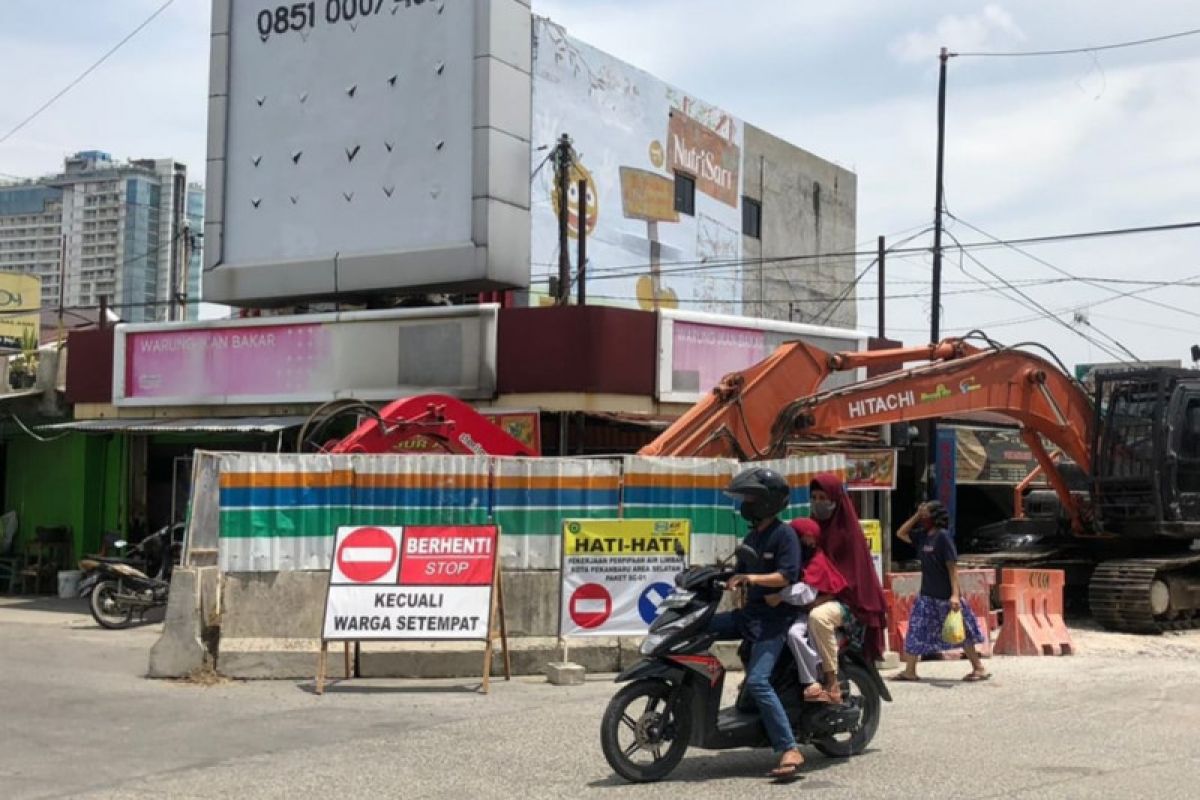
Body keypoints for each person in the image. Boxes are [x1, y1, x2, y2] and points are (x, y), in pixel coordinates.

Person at [710, 467, 805, 779]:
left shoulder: (784, 534)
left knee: (758, 681)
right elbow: (736, 572)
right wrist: (707, 576)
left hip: (773, 622)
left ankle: (788, 747)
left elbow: (787, 575)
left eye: (751, 498)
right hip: (749, 616)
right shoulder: (753, 536)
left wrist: (751, 577)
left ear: (767, 502)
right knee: (702, 626)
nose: (745, 504)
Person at [804, 473, 889, 704]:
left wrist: (823, 598)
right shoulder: (812, 530)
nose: (819, 502)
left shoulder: (847, 534)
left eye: (824, 497)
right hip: (816, 596)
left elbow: (850, 580)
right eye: (814, 497)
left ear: (836, 499)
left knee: (818, 618)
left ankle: (831, 683)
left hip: (850, 604)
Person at [893, 500, 991, 682]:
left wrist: (955, 595)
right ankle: (910, 671)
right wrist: (916, 515)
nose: (923, 517)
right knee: (916, 629)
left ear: (935, 516)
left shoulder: (943, 537)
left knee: (962, 632)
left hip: (946, 596)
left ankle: (979, 667)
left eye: (926, 513)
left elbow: (952, 567)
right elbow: (901, 533)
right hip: (927, 595)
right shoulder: (923, 536)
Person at [765, 518, 848, 703]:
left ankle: (819, 681)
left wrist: (780, 595)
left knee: (803, 627)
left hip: (819, 607)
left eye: (809, 538)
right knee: (788, 632)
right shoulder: (795, 558)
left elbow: (807, 594)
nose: (807, 543)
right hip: (799, 610)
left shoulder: (816, 560)